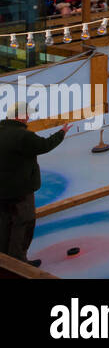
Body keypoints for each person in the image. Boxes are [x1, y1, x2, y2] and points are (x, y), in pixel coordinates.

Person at [0, 103, 70, 268]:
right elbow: (44, 145)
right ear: (19, 116)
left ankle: (4, 262)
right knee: (23, 224)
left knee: (3, 225)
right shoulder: (23, 136)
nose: (28, 118)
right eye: (26, 115)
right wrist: (61, 133)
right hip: (20, 192)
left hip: (2, 191)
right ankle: (19, 265)